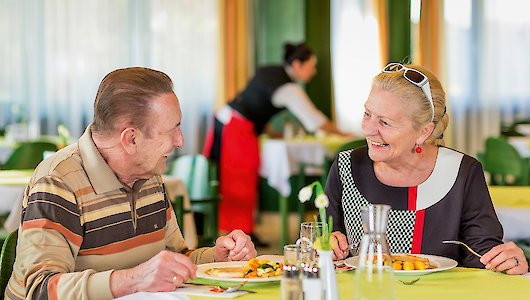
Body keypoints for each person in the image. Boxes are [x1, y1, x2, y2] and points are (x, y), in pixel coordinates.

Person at [5, 67, 257, 299]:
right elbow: (39, 290)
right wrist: (134, 280)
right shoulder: (58, 181)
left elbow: (175, 257)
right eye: (172, 129)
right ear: (131, 139)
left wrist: (217, 257)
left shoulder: (149, 173)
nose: (180, 141)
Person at [325, 63, 528, 274]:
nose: (367, 129)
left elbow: (483, 257)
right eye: (367, 114)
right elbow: (325, 242)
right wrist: (325, 246)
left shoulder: (462, 172)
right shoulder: (345, 166)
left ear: (423, 131)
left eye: (384, 122)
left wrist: (508, 261)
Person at [203, 42, 349, 242]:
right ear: (297, 64)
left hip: (228, 121)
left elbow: (253, 104)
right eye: (311, 66)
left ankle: (242, 232)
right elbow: (315, 121)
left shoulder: (270, 71)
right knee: (238, 180)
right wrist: (343, 134)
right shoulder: (289, 88)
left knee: (239, 179)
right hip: (236, 127)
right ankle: (239, 234)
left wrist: (272, 133)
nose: (313, 72)